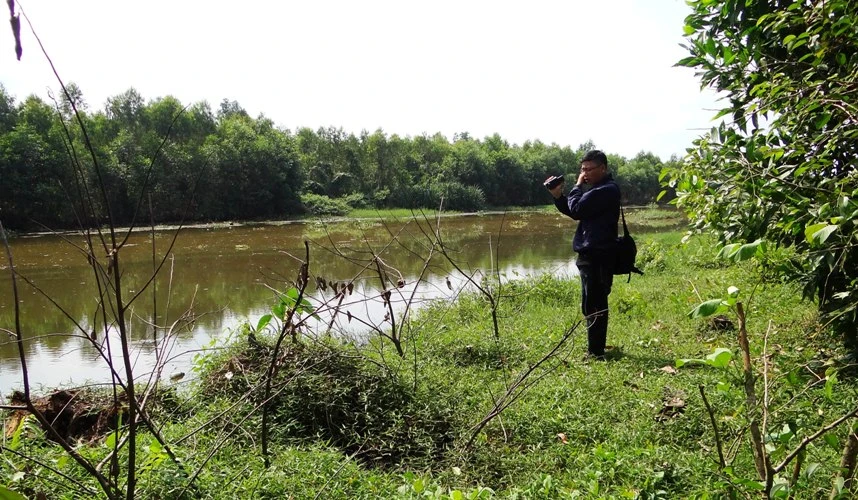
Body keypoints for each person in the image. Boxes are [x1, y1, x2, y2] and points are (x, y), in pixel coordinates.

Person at [547, 150, 620, 360]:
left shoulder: (606, 190)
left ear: (603, 168)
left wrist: (577, 186)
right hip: (590, 255)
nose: (584, 173)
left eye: (589, 169)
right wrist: (558, 197)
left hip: (598, 255)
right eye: (582, 169)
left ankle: (596, 352)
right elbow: (575, 211)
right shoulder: (597, 190)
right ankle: (595, 347)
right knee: (590, 302)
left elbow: (578, 208)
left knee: (595, 304)